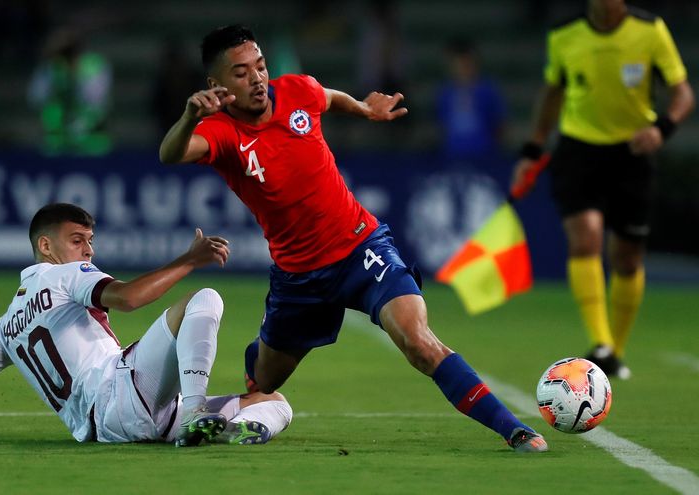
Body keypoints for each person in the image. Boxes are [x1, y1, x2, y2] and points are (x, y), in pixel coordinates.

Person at [159, 25, 547, 453]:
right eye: (241, 72)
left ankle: (515, 430)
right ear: (216, 85)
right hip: (299, 277)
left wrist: (362, 108)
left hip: (362, 247)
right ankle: (256, 368)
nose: (257, 78)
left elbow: (328, 97)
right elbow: (170, 153)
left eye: (261, 66)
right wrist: (190, 116)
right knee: (265, 382)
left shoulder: (297, 91)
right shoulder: (220, 131)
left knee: (419, 342)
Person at [0, 203, 293, 447]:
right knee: (205, 298)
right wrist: (189, 260)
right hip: (120, 394)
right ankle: (195, 412)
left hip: (110, 426)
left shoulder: (8, 324)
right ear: (45, 245)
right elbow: (129, 298)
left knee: (273, 402)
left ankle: (232, 429)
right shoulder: (63, 276)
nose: (87, 250)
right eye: (77, 240)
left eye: (90, 240)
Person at [511, 1, 694, 379]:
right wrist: (533, 149)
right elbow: (553, 92)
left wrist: (662, 129)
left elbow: (683, 94)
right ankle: (601, 343)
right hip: (579, 150)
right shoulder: (564, 35)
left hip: (633, 153)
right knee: (586, 239)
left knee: (627, 258)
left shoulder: (650, 30)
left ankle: (615, 351)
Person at [27, 27, 113, 156]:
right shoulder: (51, 67)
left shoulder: (93, 65)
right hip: (58, 142)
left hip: (91, 140)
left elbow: (96, 100)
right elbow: (36, 98)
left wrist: (75, 77)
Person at [435, 37, 506, 161]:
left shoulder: (488, 91)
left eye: (467, 64)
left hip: (484, 153)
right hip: (453, 154)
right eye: (459, 64)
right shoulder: (444, 93)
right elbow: (440, 124)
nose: (463, 68)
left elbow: (499, 123)